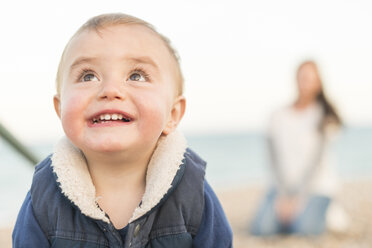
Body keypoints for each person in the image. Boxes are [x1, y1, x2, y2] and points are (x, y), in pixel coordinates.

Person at [12, 13, 233, 247]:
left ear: (172, 114)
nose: (110, 90)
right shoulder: (45, 195)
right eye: (88, 76)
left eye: (136, 75)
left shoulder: (192, 192)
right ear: (60, 108)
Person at [250, 61, 343, 236]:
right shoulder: (277, 115)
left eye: (309, 78)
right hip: (282, 188)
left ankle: (328, 212)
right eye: (301, 77)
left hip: (316, 188)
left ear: (318, 83)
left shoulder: (324, 117)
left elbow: (317, 163)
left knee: (305, 230)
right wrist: (284, 195)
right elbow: (273, 159)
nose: (304, 82)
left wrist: (299, 198)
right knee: (262, 229)